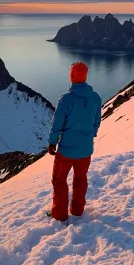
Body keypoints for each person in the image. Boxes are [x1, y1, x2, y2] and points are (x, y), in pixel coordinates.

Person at [46, 62, 102, 222]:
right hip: (85, 150)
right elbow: (97, 121)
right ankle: (77, 211)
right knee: (80, 179)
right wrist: (90, 136)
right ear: (85, 77)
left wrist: (52, 142)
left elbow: (57, 125)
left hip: (67, 151)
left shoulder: (66, 100)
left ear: (71, 77)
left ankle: (59, 215)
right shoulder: (95, 98)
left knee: (59, 181)